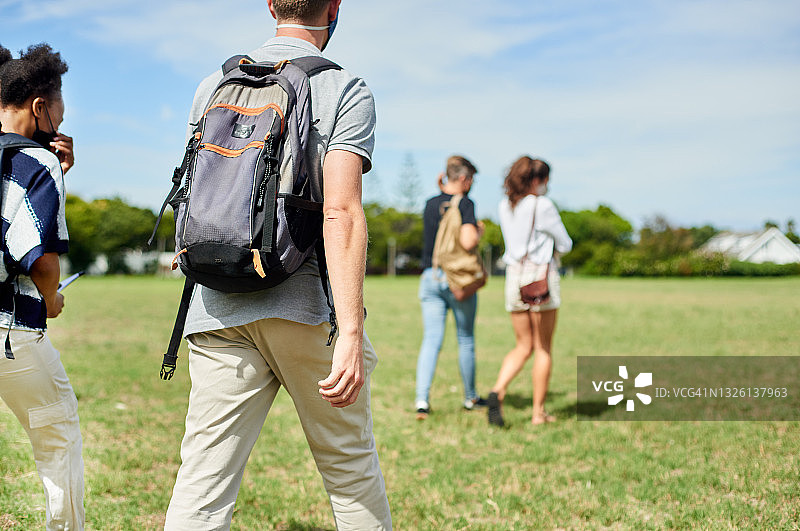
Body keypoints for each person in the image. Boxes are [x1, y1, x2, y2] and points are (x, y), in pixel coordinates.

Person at [163, 2, 392, 529]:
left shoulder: (213, 84)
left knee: (201, 485)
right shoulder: (344, 88)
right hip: (303, 306)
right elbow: (340, 211)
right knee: (350, 472)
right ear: (333, 6)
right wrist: (351, 331)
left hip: (217, 303)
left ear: (271, 4)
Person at [0, 43, 83, 529]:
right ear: (39, 106)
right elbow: (42, 259)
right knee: (59, 435)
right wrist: (51, 299)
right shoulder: (37, 162)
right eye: (58, 113)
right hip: (11, 329)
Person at [487, 156, 572, 428]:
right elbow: (566, 244)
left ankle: (497, 390)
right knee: (543, 347)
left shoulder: (505, 205)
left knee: (523, 345)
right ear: (537, 180)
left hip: (514, 278)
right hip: (540, 280)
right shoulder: (542, 204)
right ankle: (538, 413)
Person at [414, 155, 486, 420]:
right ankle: (470, 397)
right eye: (472, 179)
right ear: (464, 179)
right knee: (465, 339)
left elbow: (443, 207)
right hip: (457, 280)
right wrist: (478, 232)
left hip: (430, 277)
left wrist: (442, 187)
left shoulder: (430, 203)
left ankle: (422, 399)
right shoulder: (466, 203)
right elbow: (467, 242)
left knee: (431, 340)